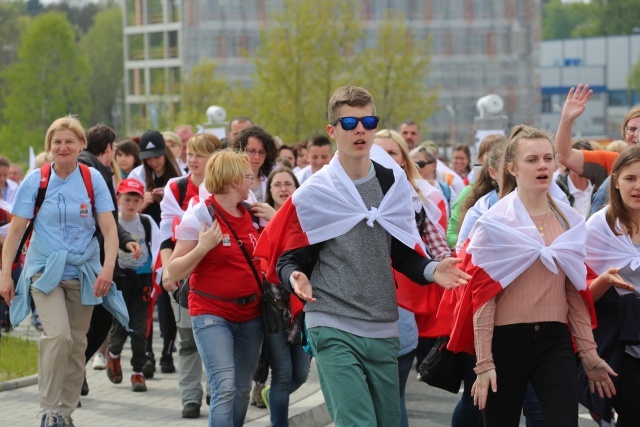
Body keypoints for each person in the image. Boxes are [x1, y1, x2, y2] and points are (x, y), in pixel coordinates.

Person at [256, 86, 470, 426]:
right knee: (357, 423)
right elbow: (286, 257)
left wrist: (432, 270)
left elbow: (400, 251)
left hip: (382, 325)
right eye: (350, 122)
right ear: (332, 131)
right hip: (331, 319)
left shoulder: (392, 181)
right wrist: (294, 276)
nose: (361, 129)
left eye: (369, 121)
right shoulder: (318, 191)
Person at [448, 124, 616, 427]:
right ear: (511, 167)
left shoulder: (571, 221)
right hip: (504, 343)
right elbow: (483, 299)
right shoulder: (493, 224)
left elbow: (574, 294)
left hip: (555, 341)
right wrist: (484, 363)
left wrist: (589, 353)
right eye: (532, 159)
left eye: (548, 158)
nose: (542, 166)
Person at [0, 116, 122, 427]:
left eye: (69, 141)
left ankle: (64, 413)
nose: (63, 146)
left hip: (83, 272)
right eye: (57, 142)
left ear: (81, 144)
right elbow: (14, 233)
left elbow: (109, 230)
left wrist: (107, 270)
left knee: (77, 342)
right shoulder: (35, 180)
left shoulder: (93, 178)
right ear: (49, 147)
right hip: (45, 270)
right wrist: (4, 274)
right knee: (57, 335)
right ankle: (48, 409)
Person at [167, 149, 264, 427]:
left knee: (242, 389)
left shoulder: (253, 213)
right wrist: (202, 247)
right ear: (234, 181)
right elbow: (174, 271)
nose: (252, 182)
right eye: (248, 176)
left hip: (251, 314)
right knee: (224, 386)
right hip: (211, 313)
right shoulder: (201, 215)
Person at [374, 128, 451, 427]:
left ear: (404, 160)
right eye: (375, 154)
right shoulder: (344, 194)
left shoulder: (423, 199)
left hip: (402, 307)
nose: (383, 160)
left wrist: (447, 268)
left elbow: (438, 248)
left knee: (393, 398)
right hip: (356, 310)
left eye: (391, 153)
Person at [159, 132, 221, 419]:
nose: (192, 160)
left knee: (215, 337)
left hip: (218, 274)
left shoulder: (227, 185)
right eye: (190, 153)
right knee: (186, 340)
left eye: (200, 154)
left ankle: (215, 390)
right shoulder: (177, 187)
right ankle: (190, 398)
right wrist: (167, 270)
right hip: (184, 274)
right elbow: (165, 234)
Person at [77, 125, 140, 397]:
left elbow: (109, 220)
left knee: (100, 319)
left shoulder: (99, 171)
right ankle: (73, 371)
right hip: (87, 259)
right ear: (109, 148)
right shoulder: (89, 171)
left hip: (98, 257)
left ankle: (75, 368)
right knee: (92, 320)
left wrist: (124, 239)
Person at [581, 145, 640, 426]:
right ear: (615, 181)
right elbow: (577, 296)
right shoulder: (598, 227)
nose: (638, 186)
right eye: (630, 178)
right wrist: (604, 280)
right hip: (622, 344)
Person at [259, 167, 311, 426]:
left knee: (300, 374)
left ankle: (271, 395)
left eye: (288, 183)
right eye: (276, 184)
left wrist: (279, 216)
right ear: (269, 191)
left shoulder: (306, 217)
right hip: (272, 309)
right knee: (282, 374)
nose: (282, 188)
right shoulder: (258, 219)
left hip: (301, 309)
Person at [129, 129, 182, 376]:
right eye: (149, 157)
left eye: (158, 156)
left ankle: (167, 351)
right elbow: (128, 212)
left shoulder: (179, 175)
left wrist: (168, 198)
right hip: (146, 246)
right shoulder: (138, 175)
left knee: (167, 301)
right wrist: (145, 201)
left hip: (172, 243)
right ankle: (147, 353)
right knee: (146, 301)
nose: (154, 161)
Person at [106, 177, 159, 393]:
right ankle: (113, 354)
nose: (131, 203)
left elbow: (157, 247)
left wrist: (159, 277)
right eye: (127, 198)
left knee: (139, 329)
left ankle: (137, 372)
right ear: (118, 198)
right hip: (118, 280)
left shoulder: (146, 222)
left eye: (136, 199)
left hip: (142, 280)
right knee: (120, 327)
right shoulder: (111, 222)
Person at [233, 126, 277, 202]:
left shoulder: (272, 181)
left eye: (261, 152)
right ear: (240, 150)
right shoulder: (230, 180)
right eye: (251, 151)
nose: (256, 157)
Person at [556, 140, 595, 217]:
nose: (581, 164)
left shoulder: (600, 188)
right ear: (567, 162)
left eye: (586, 160)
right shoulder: (558, 188)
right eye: (577, 159)